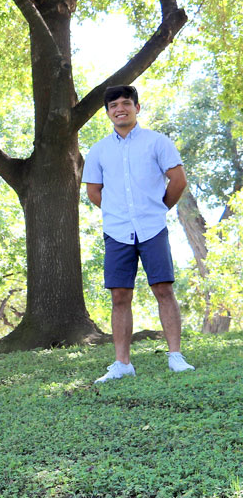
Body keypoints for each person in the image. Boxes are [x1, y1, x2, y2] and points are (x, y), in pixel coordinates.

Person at [83, 84, 193, 382]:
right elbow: (93, 190)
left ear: (136, 108)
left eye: (125, 103)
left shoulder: (157, 142)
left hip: (152, 227)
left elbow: (178, 179)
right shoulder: (99, 150)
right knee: (119, 295)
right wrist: (116, 211)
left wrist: (159, 208)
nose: (120, 108)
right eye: (113, 105)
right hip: (117, 231)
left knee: (163, 289)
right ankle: (122, 363)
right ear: (107, 113)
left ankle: (176, 356)